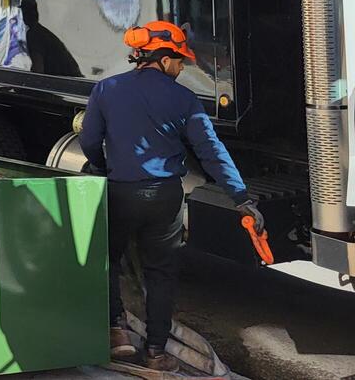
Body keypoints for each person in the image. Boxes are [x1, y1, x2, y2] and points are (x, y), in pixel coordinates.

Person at [80, 20, 263, 371]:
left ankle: (117, 332)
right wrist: (241, 197)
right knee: (160, 272)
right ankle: (156, 351)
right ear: (164, 60)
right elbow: (211, 151)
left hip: (120, 193)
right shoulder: (184, 99)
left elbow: (89, 141)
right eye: (180, 61)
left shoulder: (106, 89)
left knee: (107, 259)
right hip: (164, 198)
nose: (181, 69)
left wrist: (101, 167)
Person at [20, 0, 81, 77]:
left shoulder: (34, 34)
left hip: (67, 81)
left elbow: (38, 70)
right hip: (72, 80)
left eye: (25, 12)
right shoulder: (42, 32)